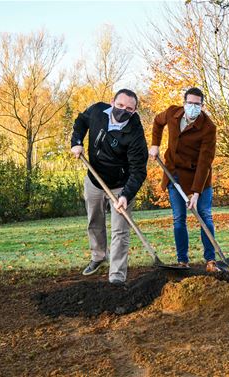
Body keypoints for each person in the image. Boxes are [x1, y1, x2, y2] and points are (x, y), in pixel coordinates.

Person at [70, 89, 148, 285]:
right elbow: (81, 121)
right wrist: (77, 142)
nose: (123, 110)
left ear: (135, 110)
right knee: (94, 221)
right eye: (120, 105)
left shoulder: (135, 134)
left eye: (129, 109)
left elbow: (138, 171)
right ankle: (98, 256)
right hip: (94, 180)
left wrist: (125, 195)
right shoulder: (97, 111)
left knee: (120, 230)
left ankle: (116, 275)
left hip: (120, 186)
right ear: (112, 102)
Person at [149, 87, 220, 272]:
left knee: (204, 216)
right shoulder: (172, 113)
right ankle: (182, 261)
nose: (193, 107)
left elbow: (205, 161)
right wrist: (155, 145)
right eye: (190, 103)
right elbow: (157, 122)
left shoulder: (208, 128)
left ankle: (211, 260)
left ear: (202, 106)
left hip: (199, 177)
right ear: (184, 102)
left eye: (197, 104)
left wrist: (196, 192)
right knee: (179, 218)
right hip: (174, 174)